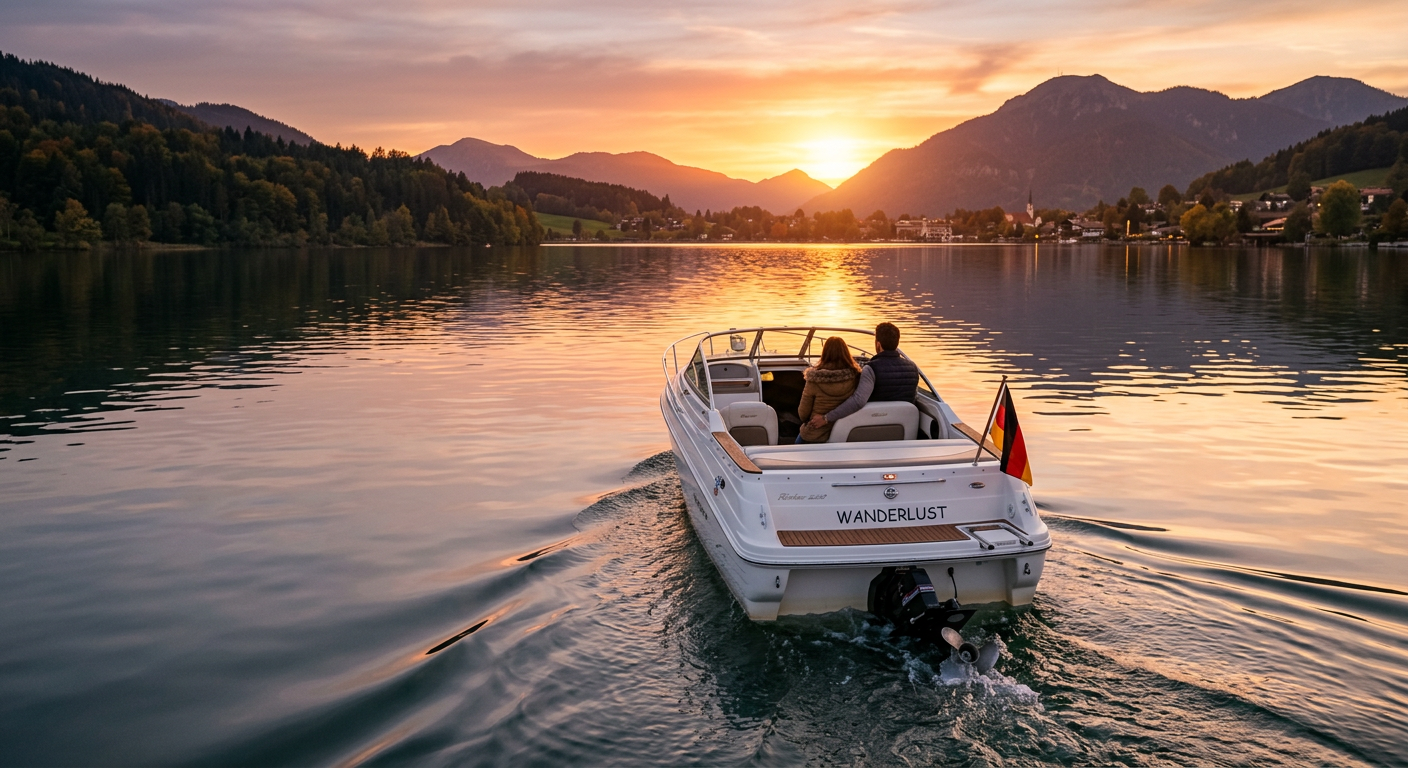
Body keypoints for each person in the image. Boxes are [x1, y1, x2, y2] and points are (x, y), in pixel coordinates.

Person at [806, 322, 918, 433]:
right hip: (902, 431)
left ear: (878, 344)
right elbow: (913, 398)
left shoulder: (871, 369)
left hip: (872, 430)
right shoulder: (913, 367)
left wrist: (826, 418)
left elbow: (858, 401)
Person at [796, 336, 862, 443]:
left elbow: (803, 414)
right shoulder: (856, 376)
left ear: (824, 353)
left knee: (797, 445)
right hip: (845, 433)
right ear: (846, 353)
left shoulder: (814, 379)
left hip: (816, 434)